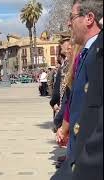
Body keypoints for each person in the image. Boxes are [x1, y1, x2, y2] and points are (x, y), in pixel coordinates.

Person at [51, 0, 103, 179]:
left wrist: (82, 165)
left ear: (89, 18)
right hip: (79, 152)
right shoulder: (88, 53)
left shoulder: (98, 54)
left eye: (72, 17)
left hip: (89, 160)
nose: (68, 23)